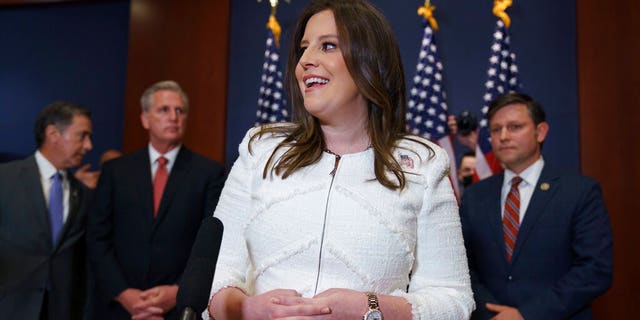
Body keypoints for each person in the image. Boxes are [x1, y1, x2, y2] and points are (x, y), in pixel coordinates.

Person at [207, 1, 474, 319]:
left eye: (328, 46)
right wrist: (245, 309)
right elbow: (213, 281)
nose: (305, 60)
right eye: (304, 48)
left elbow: (455, 302)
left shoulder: (424, 164)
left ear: (370, 62)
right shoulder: (261, 149)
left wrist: (371, 307)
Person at [459, 93, 613, 319]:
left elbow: (595, 270)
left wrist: (526, 315)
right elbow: (462, 265)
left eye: (514, 127)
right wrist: (490, 311)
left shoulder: (580, 192)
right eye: (495, 129)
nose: (503, 136)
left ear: (540, 132)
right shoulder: (474, 196)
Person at [87, 80, 226, 320]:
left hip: (178, 308)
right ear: (145, 119)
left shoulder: (209, 173)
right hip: (119, 307)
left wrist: (178, 291)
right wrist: (124, 294)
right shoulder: (115, 171)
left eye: (180, 110)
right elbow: (97, 237)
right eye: (164, 110)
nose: (173, 117)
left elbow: (210, 244)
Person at [0, 101, 94, 319]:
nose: (89, 145)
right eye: (83, 136)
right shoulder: (5, 178)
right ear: (53, 133)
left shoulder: (82, 193)